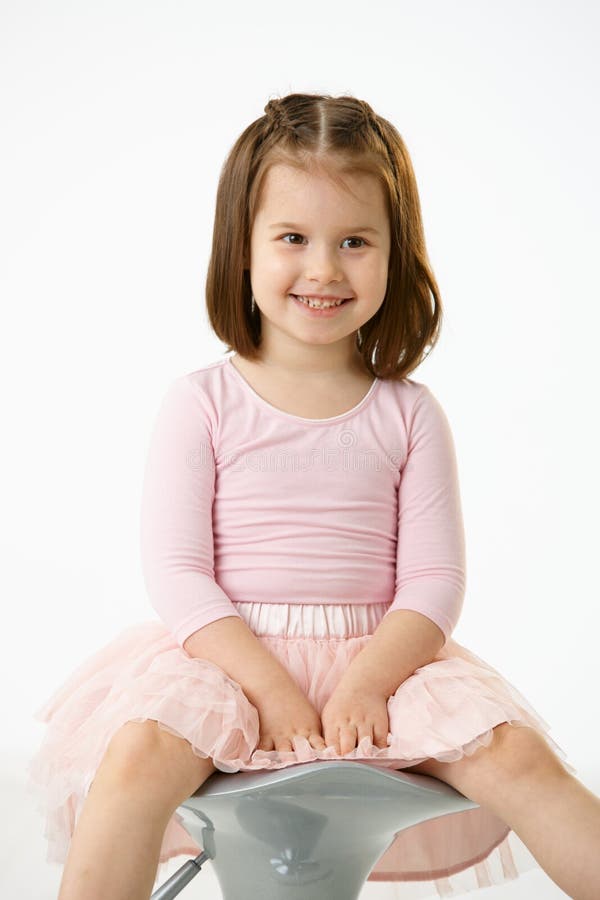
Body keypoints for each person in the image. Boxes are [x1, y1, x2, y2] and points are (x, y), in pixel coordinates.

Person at [27, 92, 600, 900]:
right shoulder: (203, 402)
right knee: (137, 756)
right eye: (293, 238)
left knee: (516, 756)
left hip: (385, 661)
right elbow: (180, 574)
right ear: (243, 249)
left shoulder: (409, 413)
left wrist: (367, 682)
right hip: (230, 659)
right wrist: (268, 686)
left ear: (396, 255)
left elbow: (434, 582)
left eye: (355, 241)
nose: (325, 268)